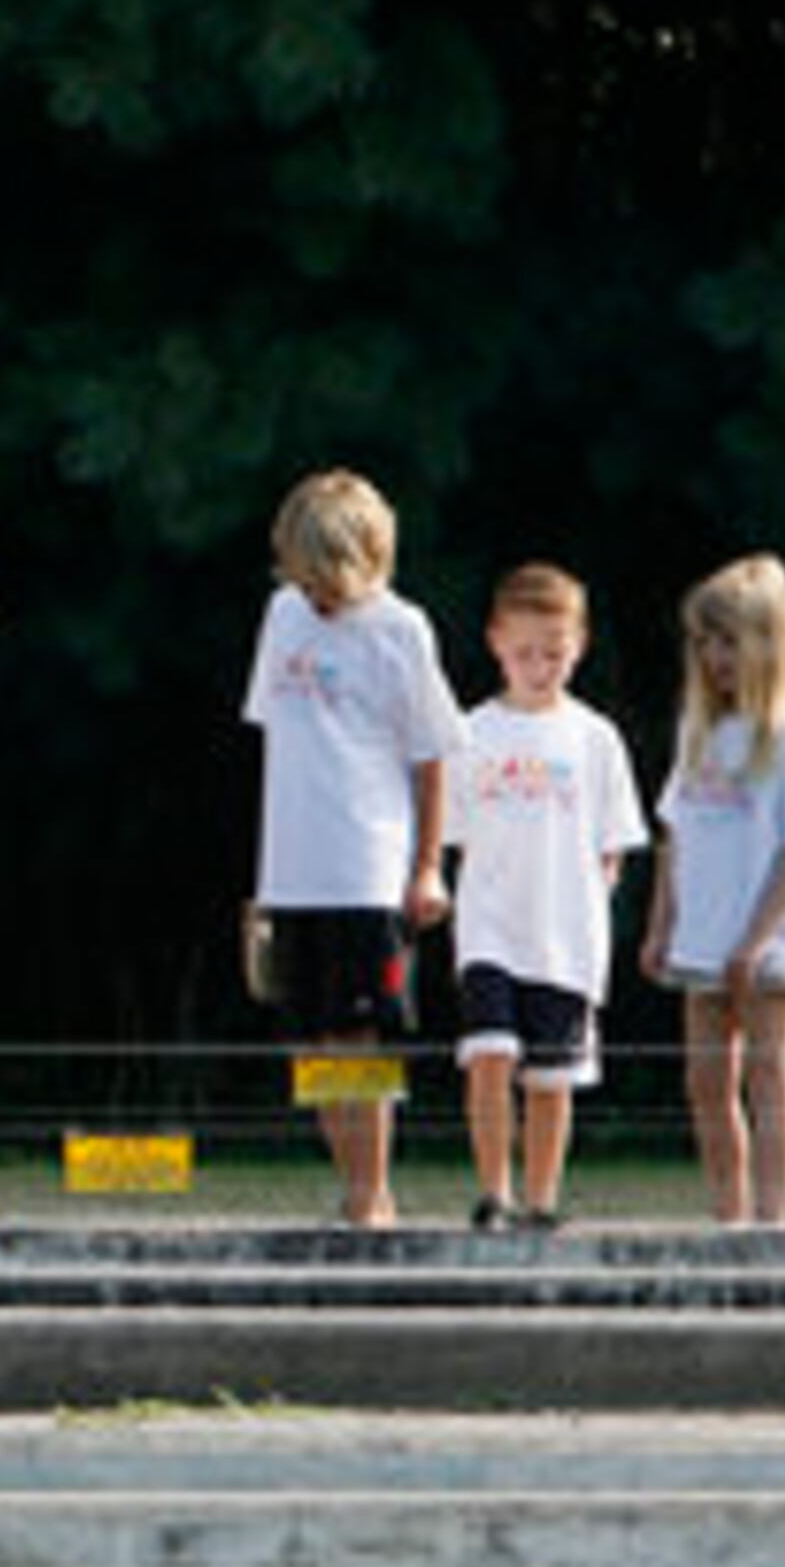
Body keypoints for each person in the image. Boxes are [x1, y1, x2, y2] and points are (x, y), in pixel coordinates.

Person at [242, 468, 462, 1229]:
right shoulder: (282, 616)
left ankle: (371, 1198)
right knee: (312, 1047)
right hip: (292, 868)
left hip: (368, 866)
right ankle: (357, 1191)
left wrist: (429, 865)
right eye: (300, 579)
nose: (314, 596)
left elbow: (433, 754)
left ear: (369, 560)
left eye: (326, 581)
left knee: (359, 1041)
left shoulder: (402, 629)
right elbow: (284, 740)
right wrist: (264, 881)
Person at [441, 564, 646, 1232]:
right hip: (490, 929)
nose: (539, 666)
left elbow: (613, 842)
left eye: (554, 653)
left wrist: (590, 901)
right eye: (525, 652)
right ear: (496, 643)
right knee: (491, 1054)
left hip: (566, 936)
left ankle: (540, 1199)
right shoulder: (470, 733)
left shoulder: (596, 739)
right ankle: (494, 1193)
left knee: (552, 1080)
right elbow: (457, 837)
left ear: (578, 646)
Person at [638, 551, 785, 1227]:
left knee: (767, 1077)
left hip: (770, 942)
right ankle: (728, 1212)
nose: (714, 658)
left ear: (766, 643)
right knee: (706, 1083)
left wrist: (755, 941)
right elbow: (675, 832)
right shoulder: (700, 730)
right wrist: (661, 925)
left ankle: (771, 1218)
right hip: (702, 937)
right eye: (702, 643)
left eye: (727, 642)